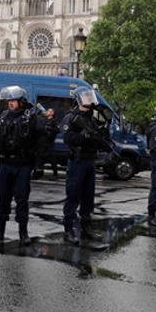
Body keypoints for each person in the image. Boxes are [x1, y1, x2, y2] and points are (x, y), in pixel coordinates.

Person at [0, 86, 39, 246]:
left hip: (22, 165)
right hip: (4, 164)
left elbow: (41, 141)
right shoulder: (2, 117)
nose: (10, 103)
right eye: (9, 100)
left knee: (22, 200)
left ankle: (23, 232)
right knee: (3, 199)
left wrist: (37, 164)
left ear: (21, 101)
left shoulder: (31, 118)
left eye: (13, 100)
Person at [61, 86, 111, 243]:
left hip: (89, 161)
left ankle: (86, 228)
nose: (90, 99)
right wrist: (84, 136)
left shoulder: (92, 118)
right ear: (79, 99)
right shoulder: (71, 117)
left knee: (88, 196)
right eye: (86, 96)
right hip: (77, 161)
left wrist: (101, 137)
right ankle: (69, 230)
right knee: (73, 196)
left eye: (90, 96)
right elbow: (68, 138)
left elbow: (99, 139)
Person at [34, 108, 59, 178]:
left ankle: (55, 174)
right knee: (39, 159)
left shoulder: (54, 121)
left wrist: (49, 128)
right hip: (42, 143)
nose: (48, 112)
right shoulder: (44, 120)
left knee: (52, 159)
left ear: (53, 113)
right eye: (48, 111)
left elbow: (57, 130)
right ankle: (38, 173)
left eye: (50, 111)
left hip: (49, 143)